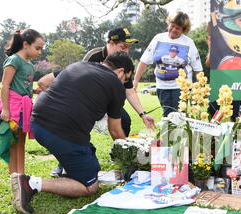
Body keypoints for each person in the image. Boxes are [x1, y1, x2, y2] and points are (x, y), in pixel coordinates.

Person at [10, 52, 133, 214]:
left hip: (38, 123)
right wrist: (129, 158)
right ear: (121, 71)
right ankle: (31, 183)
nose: (125, 83)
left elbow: (44, 82)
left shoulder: (78, 65)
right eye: (127, 79)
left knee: (89, 155)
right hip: (63, 133)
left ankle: (68, 169)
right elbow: (115, 130)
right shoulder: (116, 85)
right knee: (90, 186)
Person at [38, 27, 155, 177]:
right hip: (84, 102)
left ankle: (121, 156)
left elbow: (129, 90)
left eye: (128, 48)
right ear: (111, 43)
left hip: (104, 101)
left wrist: (143, 114)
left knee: (123, 120)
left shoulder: (123, 64)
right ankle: (64, 163)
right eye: (123, 47)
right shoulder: (94, 55)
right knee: (79, 122)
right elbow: (77, 78)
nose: (126, 51)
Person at [0, 29, 44, 174]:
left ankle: (21, 176)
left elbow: (24, 85)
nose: (39, 52)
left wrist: (34, 91)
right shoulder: (14, 60)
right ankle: (14, 178)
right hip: (13, 108)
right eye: (38, 48)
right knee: (12, 143)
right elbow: (5, 85)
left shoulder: (29, 64)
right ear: (25, 44)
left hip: (25, 108)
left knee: (21, 143)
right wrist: (5, 109)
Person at [134, 11, 203, 117]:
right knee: (167, 115)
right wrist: (135, 81)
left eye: (178, 28)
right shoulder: (158, 38)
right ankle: (168, 133)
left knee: (179, 116)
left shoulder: (189, 43)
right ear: (168, 24)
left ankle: (178, 133)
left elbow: (197, 68)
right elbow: (144, 60)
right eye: (172, 26)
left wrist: (199, 91)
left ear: (183, 30)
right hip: (162, 86)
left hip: (182, 88)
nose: (174, 30)